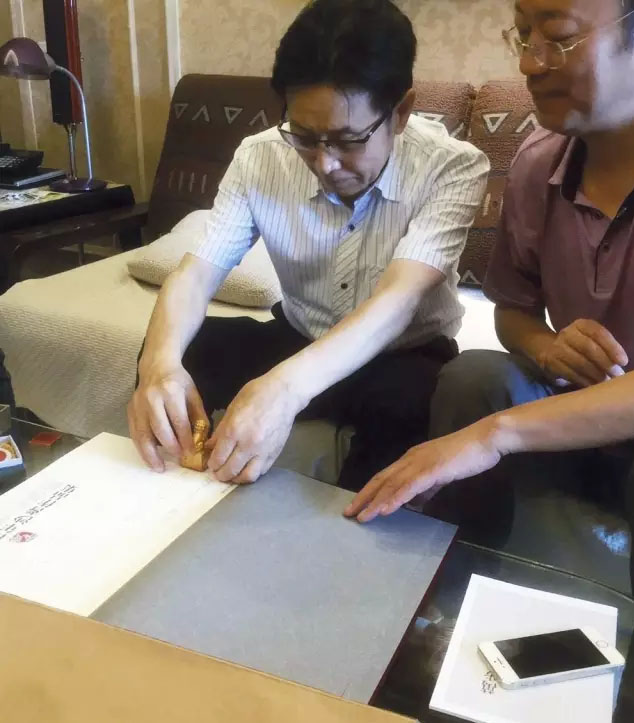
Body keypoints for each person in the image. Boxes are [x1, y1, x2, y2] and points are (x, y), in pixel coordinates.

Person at [128, 0, 489, 491]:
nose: (325, 163)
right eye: (304, 135)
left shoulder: (452, 166)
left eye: (348, 139)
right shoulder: (259, 157)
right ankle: (168, 500)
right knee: (177, 353)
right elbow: (196, 274)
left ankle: (347, 530)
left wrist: (284, 389)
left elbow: (396, 302)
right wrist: (159, 365)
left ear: (400, 112)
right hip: (299, 334)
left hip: (403, 354)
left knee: (415, 405)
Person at [346, 0, 634, 579]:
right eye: (524, 35)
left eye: (559, 37)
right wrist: (547, 348)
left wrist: (493, 436)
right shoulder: (536, 164)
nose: (529, 63)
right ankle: (451, 585)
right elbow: (512, 311)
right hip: (571, 416)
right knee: (474, 376)